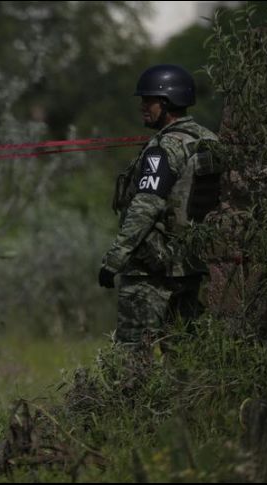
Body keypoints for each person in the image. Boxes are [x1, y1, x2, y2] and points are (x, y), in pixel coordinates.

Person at [99, 64, 221, 347]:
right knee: (183, 354)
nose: (143, 106)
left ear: (167, 102)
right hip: (192, 266)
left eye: (148, 100)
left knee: (131, 356)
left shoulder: (164, 147)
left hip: (152, 272)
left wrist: (114, 260)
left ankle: (129, 394)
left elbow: (145, 206)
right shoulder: (210, 140)